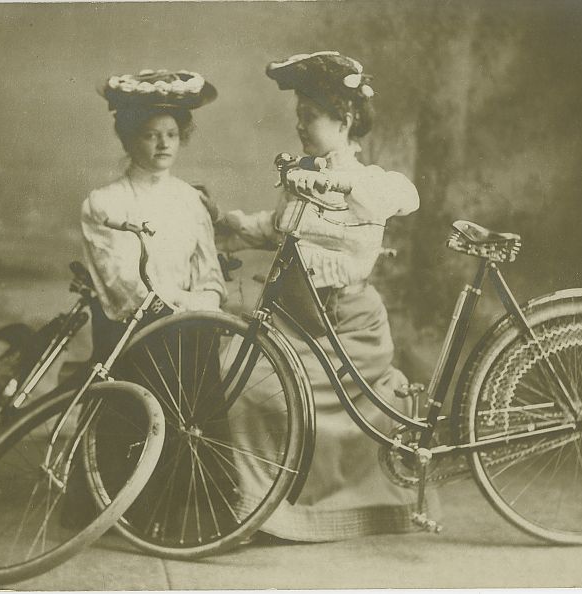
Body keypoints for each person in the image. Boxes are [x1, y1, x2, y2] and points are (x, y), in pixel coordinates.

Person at [214, 51, 430, 542]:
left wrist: (333, 179)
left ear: (345, 118)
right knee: (241, 377)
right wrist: (231, 226)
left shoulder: (371, 183)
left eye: (309, 116)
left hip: (345, 326)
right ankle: (261, 510)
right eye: (298, 117)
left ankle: (335, 511)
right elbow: (277, 228)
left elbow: (403, 196)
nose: (300, 126)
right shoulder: (302, 175)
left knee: (269, 392)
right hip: (296, 318)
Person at [80, 68, 226, 355]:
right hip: (134, 338)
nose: (164, 144)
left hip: (193, 335)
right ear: (130, 139)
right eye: (151, 135)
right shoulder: (104, 203)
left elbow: (209, 275)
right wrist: (183, 304)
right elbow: (124, 285)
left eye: (171, 134)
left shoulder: (191, 199)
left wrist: (204, 302)